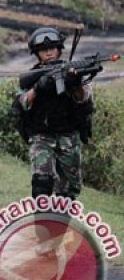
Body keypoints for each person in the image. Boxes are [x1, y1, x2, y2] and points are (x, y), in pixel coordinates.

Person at [15, 27, 93, 200]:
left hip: (68, 137)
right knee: (41, 184)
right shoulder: (33, 76)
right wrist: (38, 86)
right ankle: (41, 222)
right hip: (41, 136)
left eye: (52, 48)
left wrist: (75, 84)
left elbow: (84, 99)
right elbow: (22, 102)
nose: (49, 52)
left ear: (59, 49)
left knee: (68, 192)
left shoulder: (70, 70)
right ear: (37, 53)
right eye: (44, 49)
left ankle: (61, 224)